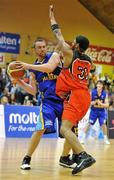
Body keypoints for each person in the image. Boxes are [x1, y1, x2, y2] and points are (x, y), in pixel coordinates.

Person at [11, 38, 76, 170]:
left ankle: (65, 158)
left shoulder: (54, 56)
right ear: (35, 50)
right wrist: (19, 81)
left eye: (44, 47)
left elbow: (49, 68)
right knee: (40, 129)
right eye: (39, 47)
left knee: (71, 131)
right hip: (48, 103)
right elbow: (33, 90)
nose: (42, 49)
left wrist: (28, 66)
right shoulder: (34, 70)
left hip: (65, 100)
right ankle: (27, 157)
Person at [49, 5, 96, 175]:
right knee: (71, 128)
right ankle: (71, 157)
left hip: (76, 95)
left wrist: (51, 16)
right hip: (85, 96)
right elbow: (92, 69)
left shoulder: (70, 53)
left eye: (75, 40)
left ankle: (83, 155)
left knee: (64, 130)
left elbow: (58, 34)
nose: (72, 41)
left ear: (77, 45)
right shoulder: (89, 60)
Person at [81, 80, 110, 145]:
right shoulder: (92, 92)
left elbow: (107, 105)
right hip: (94, 111)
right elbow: (88, 103)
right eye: (98, 84)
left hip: (101, 111)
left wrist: (101, 104)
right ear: (96, 85)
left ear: (102, 86)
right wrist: (93, 102)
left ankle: (105, 139)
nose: (99, 85)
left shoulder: (105, 93)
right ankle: (82, 138)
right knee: (89, 124)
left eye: (100, 84)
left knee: (103, 125)